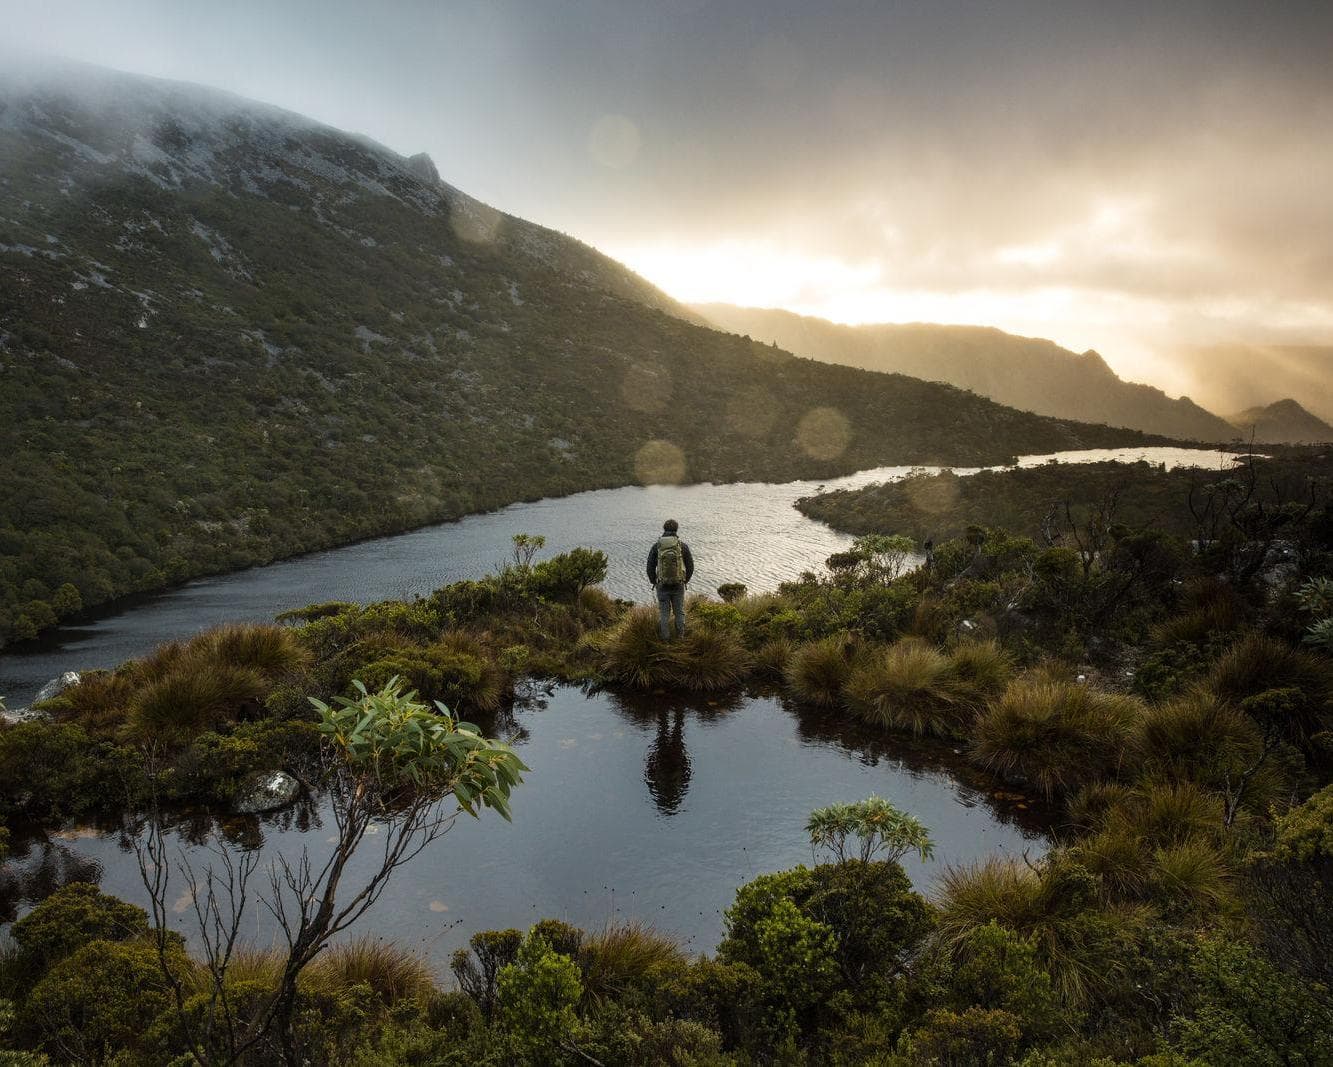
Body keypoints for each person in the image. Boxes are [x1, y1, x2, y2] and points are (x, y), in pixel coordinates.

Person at [647, 518, 694, 640]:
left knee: (664, 613)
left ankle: (665, 641)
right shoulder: (682, 546)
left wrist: (654, 581)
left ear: (664, 529)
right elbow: (690, 566)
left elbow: (650, 566)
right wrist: (685, 580)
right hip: (678, 584)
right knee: (679, 612)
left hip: (662, 585)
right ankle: (680, 638)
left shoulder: (657, 546)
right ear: (676, 530)